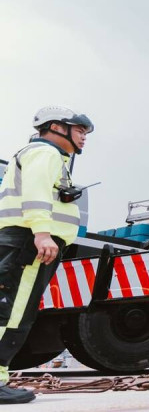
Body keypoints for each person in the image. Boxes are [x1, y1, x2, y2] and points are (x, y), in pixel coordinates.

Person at [0, 107, 94, 405]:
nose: (83, 138)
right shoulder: (45, 153)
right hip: (27, 242)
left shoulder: (49, 156)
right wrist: (42, 233)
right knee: (13, 313)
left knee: (13, 310)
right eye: (80, 130)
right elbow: (37, 193)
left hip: (23, 242)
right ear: (56, 127)